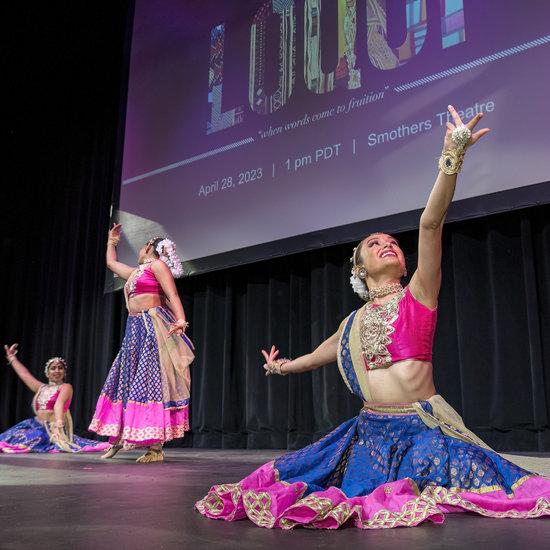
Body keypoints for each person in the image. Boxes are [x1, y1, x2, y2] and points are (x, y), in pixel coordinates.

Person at [195, 105, 550, 528]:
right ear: (359, 268)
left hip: (421, 433)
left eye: (392, 243)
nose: (386, 244)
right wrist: (281, 367)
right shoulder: (352, 326)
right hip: (369, 434)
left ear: (403, 265)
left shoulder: (419, 294)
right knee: (308, 482)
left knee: (472, 486)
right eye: (373, 242)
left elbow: (430, 224)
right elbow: (316, 356)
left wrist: (452, 157)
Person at [88, 228, 194, 463]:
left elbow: (172, 294)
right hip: (134, 329)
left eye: (140, 247)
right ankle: (117, 438)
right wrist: (111, 241)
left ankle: (155, 448)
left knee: (150, 381)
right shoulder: (137, 272)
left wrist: (180, 319)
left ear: (148, 247)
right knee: (124, 379)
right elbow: (110, 263)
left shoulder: (157, 265)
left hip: (151, 327)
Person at [1, 344, 109, 453]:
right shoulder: (41, 387)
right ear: (47, 373)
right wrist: (12, 357)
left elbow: (59, 404)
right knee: (9, 438)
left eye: (60, 368)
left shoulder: (65, 387)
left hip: (52, 427)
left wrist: (58, 424)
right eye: (53, 368)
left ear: (64, 372)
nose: (57, 371)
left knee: (33, 439)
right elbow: (24, 374)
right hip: (34, 424)